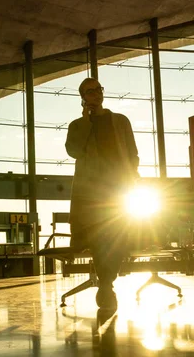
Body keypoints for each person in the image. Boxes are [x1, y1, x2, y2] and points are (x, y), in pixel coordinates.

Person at [65, 77, 139, 310]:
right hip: (91, 193)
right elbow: (74, 150)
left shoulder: (120, 121)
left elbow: (132, 153)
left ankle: (107, 283)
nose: (96, 93)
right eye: (90, 91)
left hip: (117, 189)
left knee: (116, 233)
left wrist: (131, 176)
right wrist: (87, 120)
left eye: (98, 89)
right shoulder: (77, 125)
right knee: (99, 236)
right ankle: (106, 285)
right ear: (82, 97)